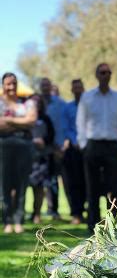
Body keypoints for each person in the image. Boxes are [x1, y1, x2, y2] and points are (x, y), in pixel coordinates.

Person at [76, 63, 117, 232]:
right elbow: (80, 122)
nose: (106, 75)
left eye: (108, 72)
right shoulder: (87, 97)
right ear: (97, 74)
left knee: (114, 189)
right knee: (92, 188)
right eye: (102, 72)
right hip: (93, 146)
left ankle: (114, 226)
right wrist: (84, 145)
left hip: (112, 147)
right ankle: (92, 225)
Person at [0, 72, 37, 233]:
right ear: (3, 86)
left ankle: (19, 221)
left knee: (22, 185)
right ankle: (7, 221)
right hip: (4, 146)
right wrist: (21, 123)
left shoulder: (27, 102)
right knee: (5, 185)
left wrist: (8, 120)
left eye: (14, 83)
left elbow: (31, 121)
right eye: (8, 84)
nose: (11, 87)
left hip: (24, 146)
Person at [40, 77, 67, 220]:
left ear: (50, 87)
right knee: (37, 181)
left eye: (47, 85)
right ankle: (37, 212)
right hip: (38, 148)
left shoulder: (60, 103)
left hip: (55, 147)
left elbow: (62, 125)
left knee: (53, 180)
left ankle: (53, 209)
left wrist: (60, 145)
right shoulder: (36, 103)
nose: (45, 87)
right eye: (42, 85)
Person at [62, 79, 86, 225]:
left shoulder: (89, 106)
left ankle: (87, 211)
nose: (77, 90)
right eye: (75, 87)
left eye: (79, 87)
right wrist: (75, 140)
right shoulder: (67, 107)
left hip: (87, 147)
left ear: (83, 89)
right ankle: (76, 213)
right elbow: (66, 128)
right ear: (72, 90)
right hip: (73, 148)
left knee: (87, 182)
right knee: (73, 182)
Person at [28, 94, 55, 224]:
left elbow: (51, 135)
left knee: (39, 187)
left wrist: (43, 140)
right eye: (33, 102)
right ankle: (18, 215)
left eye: (38, 102)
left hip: (41, 158)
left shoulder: (46, 119)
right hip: (25, 157)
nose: (35, 104)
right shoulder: (24, 118)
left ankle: (37, 214)